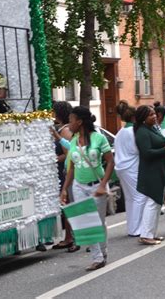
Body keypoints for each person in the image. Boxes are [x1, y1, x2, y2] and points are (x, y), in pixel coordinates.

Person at [60, 106, 114, 271]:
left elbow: (111, 162)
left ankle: (103, 252)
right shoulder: (74, 141)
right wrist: (64, 189)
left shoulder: (99, 139)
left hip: (97, 186)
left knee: (98, 222)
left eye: (71, 121)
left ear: (80, 122)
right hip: (78, 186)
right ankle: (97, 257)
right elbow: (71, 168)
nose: (69, 125)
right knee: (86, 222)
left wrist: (103, 185)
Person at [134, 105, 165, 245]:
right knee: (153, 202)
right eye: (150, 115)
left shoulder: (151, 129)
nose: (154, 116)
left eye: (154, 114)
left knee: (157, 203)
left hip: (158, 169)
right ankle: (146, 235)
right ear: (143, 118)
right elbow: (147, 153)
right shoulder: (142, 132)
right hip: (151, 172)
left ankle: (151, 233)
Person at [114, 101, 147, 237]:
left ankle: (132, 227)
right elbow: (137, 150)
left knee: (130, 198)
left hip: (121, 167)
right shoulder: (133, 131)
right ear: (134, 117)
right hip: (131, 167)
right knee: (139, 196)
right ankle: (137, 228)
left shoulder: (120, 131)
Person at [49, 101, 79, 252]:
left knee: (69, 204)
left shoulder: (65, 130)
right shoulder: (60, 129)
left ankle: (71, 237)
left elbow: (67, 155)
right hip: (63, 172)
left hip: (67, 172)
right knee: (67, 205)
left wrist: (51, 159)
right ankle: (70, 236)